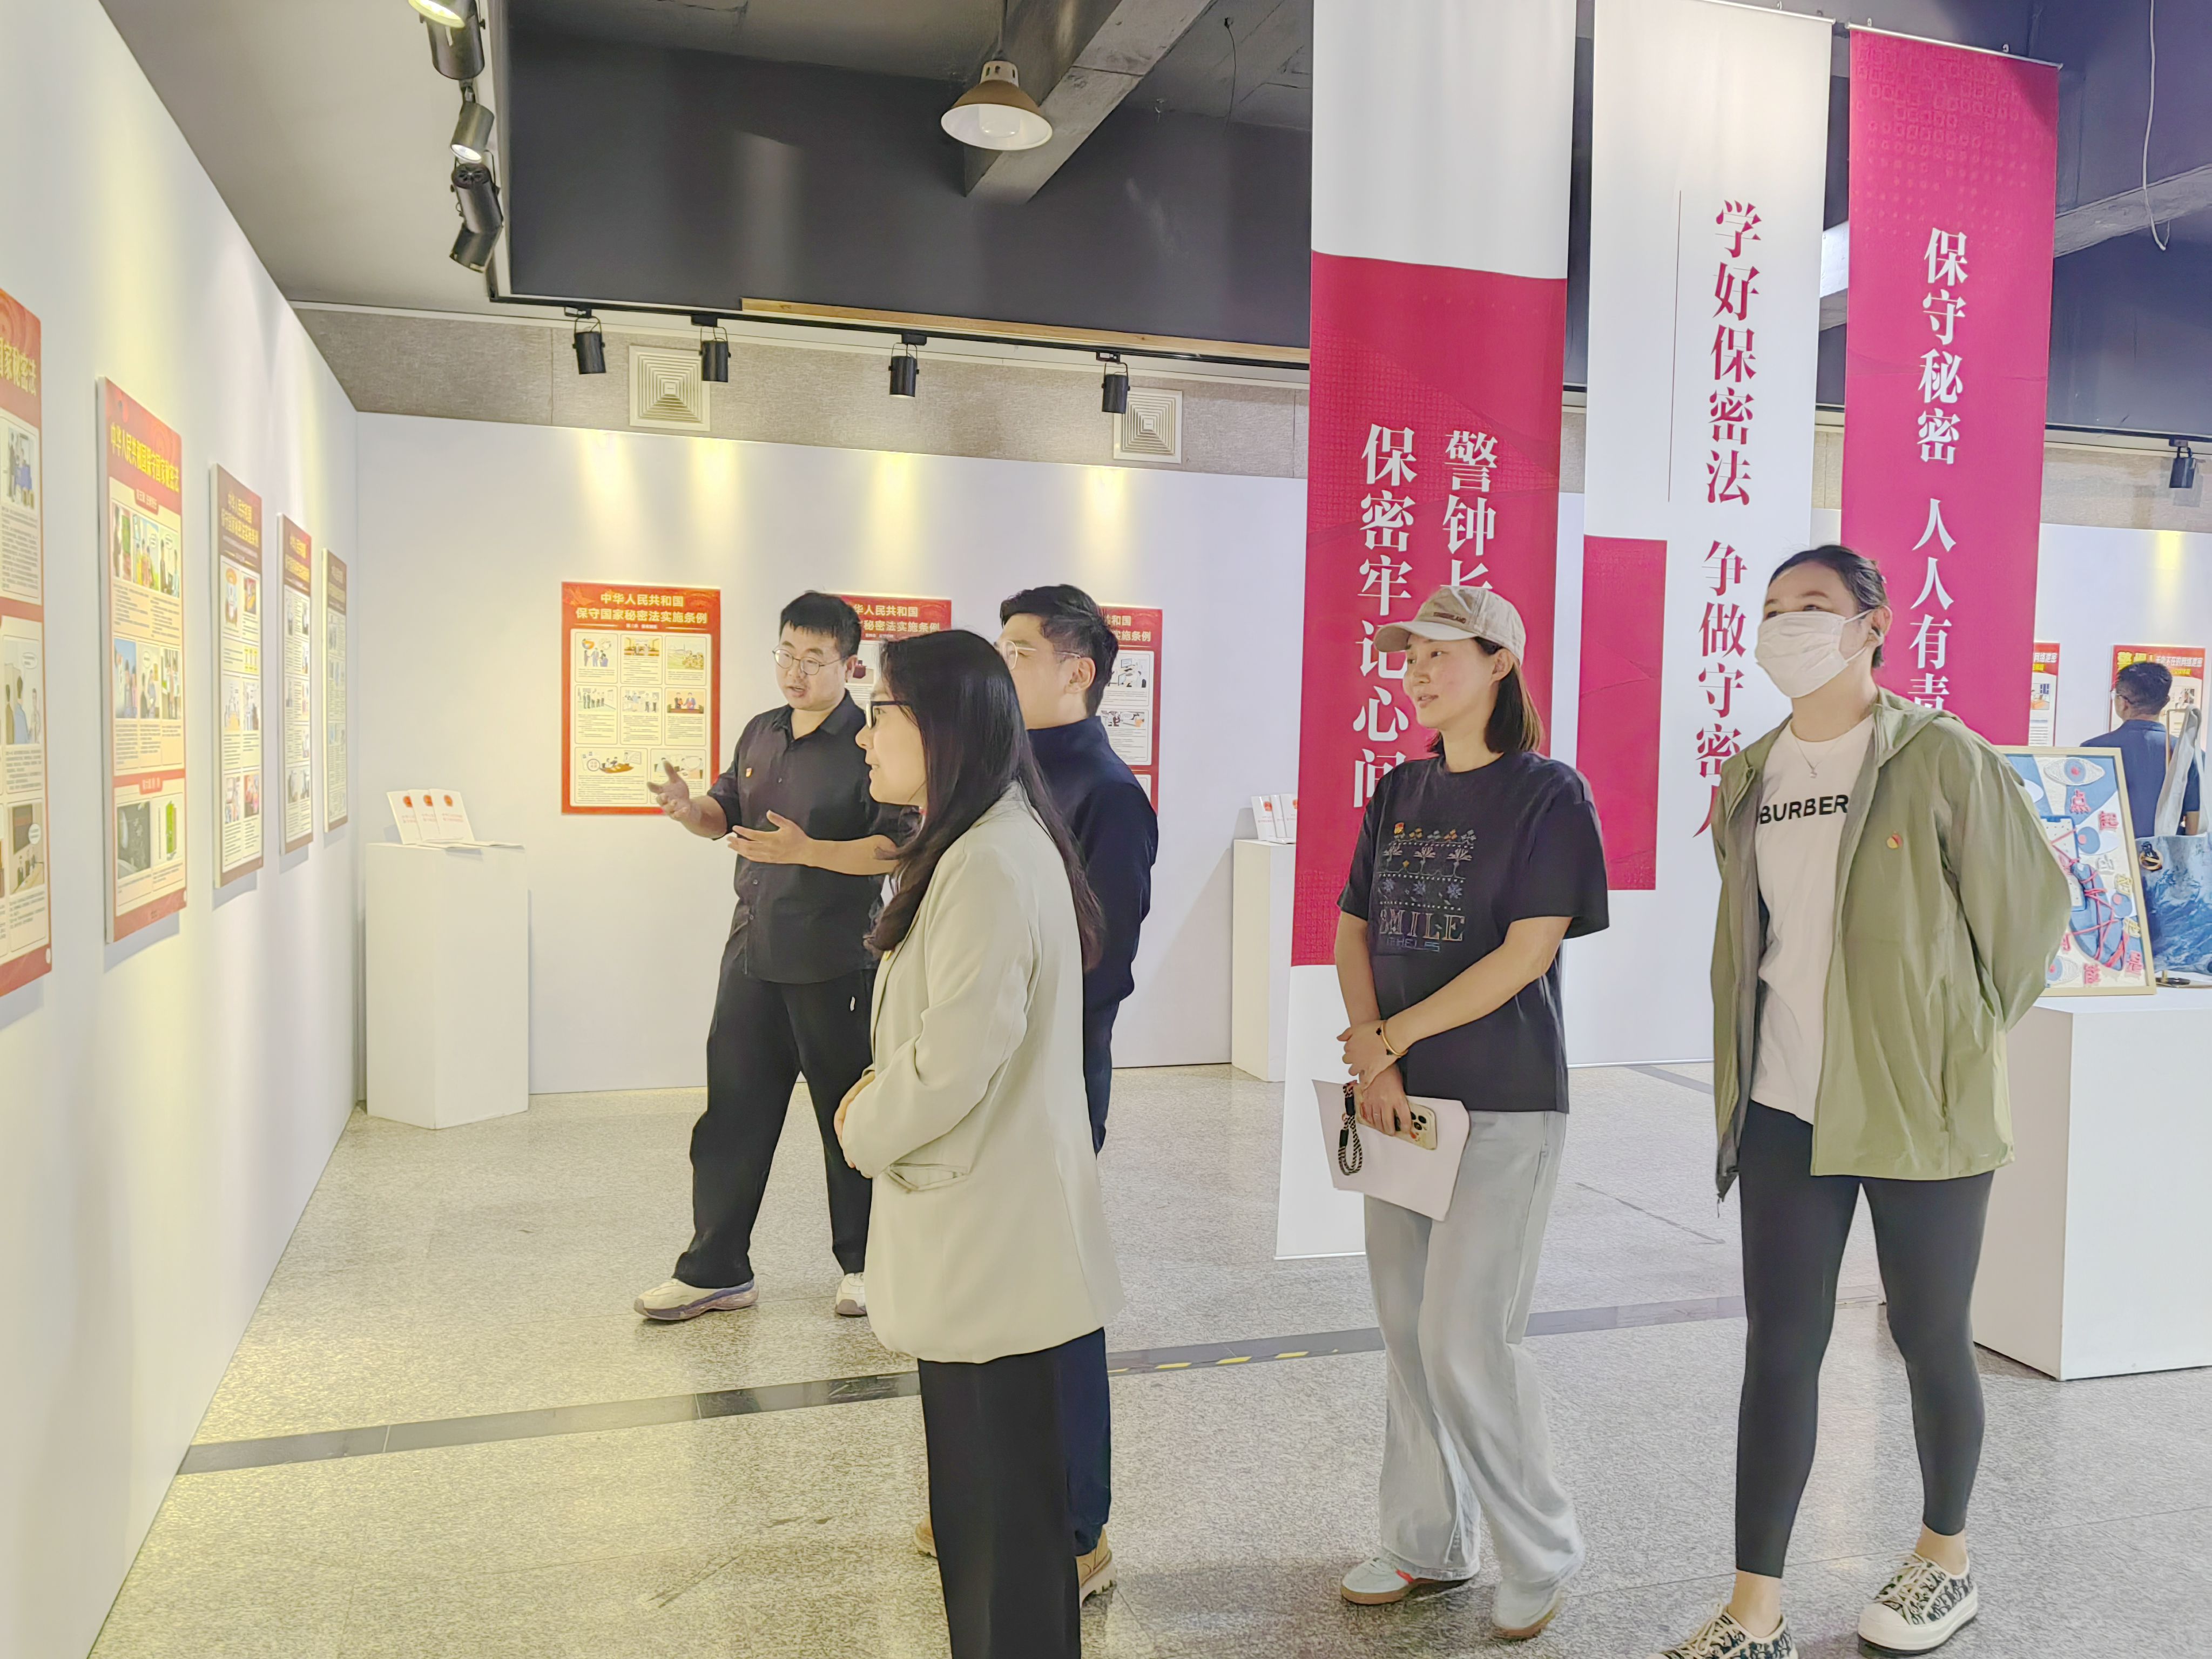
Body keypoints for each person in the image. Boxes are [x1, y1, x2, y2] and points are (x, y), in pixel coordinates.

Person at [1649, 547, 2069, 1659]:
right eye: (1772, 608)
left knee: (1929, 1336)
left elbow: (2028, 916)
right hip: (1783, 1105)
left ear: (1871, 624)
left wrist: (1944, 1035)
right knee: (1779, 1349)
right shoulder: (1751, 774)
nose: (1785, 625)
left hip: (1919, 1107)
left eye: (1813, 606)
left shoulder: (1939, 756)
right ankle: (1754, 1609)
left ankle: (1944, 1559)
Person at [835, 629, 1123, 1659]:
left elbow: (955, 1059)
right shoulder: (973, 843)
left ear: (943, 726)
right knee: (978, 1522)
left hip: (996, 1246)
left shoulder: (992, 859)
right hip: (983, 1239)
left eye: (880, 713)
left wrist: (862, 1123)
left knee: (1004, 1536)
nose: (864, 736)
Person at [1333, 584, 1609, 1642]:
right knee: (1406, 1332)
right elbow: (1353, 928)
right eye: (1408, 653)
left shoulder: (1549, 794)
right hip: (1398, 1103)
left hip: (1503, 1100)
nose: (1415, 669)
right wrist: (1374, 1053)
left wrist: (1389, 1040)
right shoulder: (1397, 788)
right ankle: (1426, 1542)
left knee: (1464, 1337)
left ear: (1498, 663)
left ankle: (1538, 1547)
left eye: (1439, 652)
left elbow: (1526, 952)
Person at [636, 591, 904, 1324]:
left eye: (813, 659)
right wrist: (689, 810)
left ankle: (866, 1265)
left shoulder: (870, 741)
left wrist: (807, 851)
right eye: (786, 654)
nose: (794, 671)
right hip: (751, 954)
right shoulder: (761, 730)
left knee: (848, 1120)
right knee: (732, 1115)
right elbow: (724, 813)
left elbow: (895, 847)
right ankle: (715, 1268)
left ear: (849, 665)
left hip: (835, 959)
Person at [994, 585, 1158, 1151]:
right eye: (1000, 650)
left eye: (1019, 653)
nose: (1001, 666)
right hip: (987, 1032)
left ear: (1078, 674)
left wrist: (1025, 1024)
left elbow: (1106, 956)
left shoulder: (1110, 794)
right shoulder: (1004, 770)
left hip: (1051, 1052)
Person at [2084, 660, 2201, 836]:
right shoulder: (2188, 754)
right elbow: (2195, 828)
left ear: (2122, 702)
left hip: (2109, 851)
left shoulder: (2091, 750)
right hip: (2165, 853)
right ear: (2165, 702)